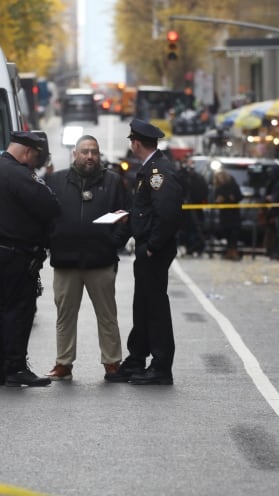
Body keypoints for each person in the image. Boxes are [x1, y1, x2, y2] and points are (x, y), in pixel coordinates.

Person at [0, 131, 61, 387]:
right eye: (35, 157)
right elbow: (50, 206)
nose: (34, 163)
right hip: (17, 254)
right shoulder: (19, 175)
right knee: (20, 310)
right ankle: (15, 367)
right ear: (26, 152)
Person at [106, 119, 184, 385]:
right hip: (146, 247)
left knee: (155, 308)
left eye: (131, 141)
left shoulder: (157, 173)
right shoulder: (149, 169)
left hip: (153, 250)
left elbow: (167, 213)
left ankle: (161, 365)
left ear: (136, 143)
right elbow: (144, 211)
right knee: (143, 305)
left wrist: (152, 246)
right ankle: (137, 357)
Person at [44, 135, 128, 381]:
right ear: (75, 155)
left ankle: (112, 362)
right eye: (85, 152)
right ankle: (64, 362)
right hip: (65, 262)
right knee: (65, 316)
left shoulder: (113, 182)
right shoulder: (56, 181)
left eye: (94, 152)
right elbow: (45, 215)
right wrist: (52, 242)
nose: (90, 156)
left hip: (100, 261)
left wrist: (113, 243)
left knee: (107, 316)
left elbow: (125, 216)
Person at [213, 169, 243, 260]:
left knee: (234, 233)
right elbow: (215, 199)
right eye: (219, 178)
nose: (220, 179)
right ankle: (229, 252)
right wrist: (218, 201)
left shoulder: (233, 185)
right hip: (224, 214)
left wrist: (233, 198)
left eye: (222, 177)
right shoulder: (218, 188)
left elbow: (239, 196)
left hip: (233, 213)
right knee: (227, 233)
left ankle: (233, 252)